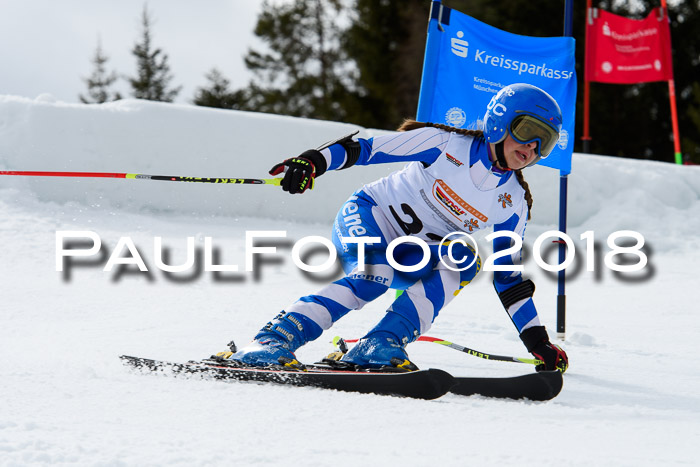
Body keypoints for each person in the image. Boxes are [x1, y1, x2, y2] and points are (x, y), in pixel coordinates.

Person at [220, 83, 568, 373]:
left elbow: (508, 280)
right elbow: (366, 149)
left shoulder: (513, 202)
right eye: (528, 132)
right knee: (374, 274)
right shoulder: (446, 145)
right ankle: (273, 339)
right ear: (500, 122)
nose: (533, 147)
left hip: (410, 254)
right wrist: (314, 160)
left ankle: (380, 342)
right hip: (367, 217)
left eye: (545, 141)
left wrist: (538, 342)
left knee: (465, 258)